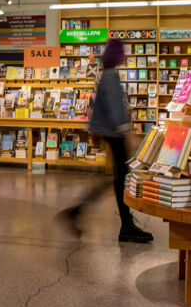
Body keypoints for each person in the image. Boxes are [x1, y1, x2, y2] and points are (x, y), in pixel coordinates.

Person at [56, 39, 154, 243]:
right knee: (121, 177)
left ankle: (82, 213)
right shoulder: (110, 75)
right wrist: (126, 131)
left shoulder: (108, 74)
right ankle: (125, 225)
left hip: (109, 130)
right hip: (113, 131)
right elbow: (114, 107)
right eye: (124, 52)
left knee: (119, 176)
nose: (126, 55)